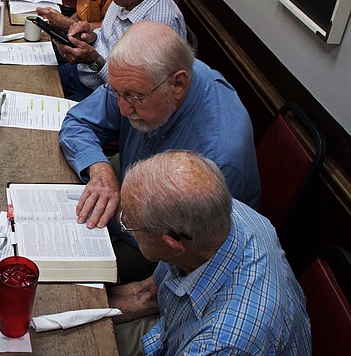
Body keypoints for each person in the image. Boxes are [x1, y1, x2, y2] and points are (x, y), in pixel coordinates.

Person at [59, 21, 260, 282]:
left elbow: (191, 257)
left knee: (69, 277)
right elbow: (78, 122)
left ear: (178, 84)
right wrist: (100, 168)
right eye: (116, 93)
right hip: (132, 198)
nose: (121, 109)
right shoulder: (141, 78)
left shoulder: (218, 158)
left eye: (132, 97)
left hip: (158, 248)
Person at [109, 150, 311, 356]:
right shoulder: (216, 214)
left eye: (128, 223)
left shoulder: (223, 341)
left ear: (171, 244)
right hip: (170, 340)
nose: (124, 225)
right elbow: (148, 294)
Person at [54, 0, 186, 101]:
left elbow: (138, 94)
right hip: (82, 74)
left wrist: (95, 61)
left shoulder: (160, 25)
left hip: (105, 98)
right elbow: (107, 35)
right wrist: (91, 36)